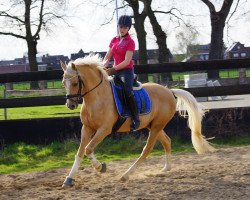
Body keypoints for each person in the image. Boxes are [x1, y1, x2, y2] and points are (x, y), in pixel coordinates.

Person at [103, 15, 140, 131]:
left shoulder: (131, 42)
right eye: (120, 26)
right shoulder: (114, 40)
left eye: (125, 27)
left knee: (128, 91)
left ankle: (136, 119)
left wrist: (113, 69)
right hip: (114, 70)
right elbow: (108, 56)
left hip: (126, 71)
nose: (122, 29)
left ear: (129, 28)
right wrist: (103, 65)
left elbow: (126, 61)